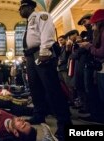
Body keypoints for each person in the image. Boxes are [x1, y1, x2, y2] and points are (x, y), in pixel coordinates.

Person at [19, 0, 72, 140]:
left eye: (22, 8)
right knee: (35, 88)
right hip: (31, 56)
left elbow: (47, 34)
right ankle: (39, 114)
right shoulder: (29, 21)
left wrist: (43, 52)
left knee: (52, 88)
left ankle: (64, 122)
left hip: (41, 54)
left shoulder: (41, 16)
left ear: (30, 7)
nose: (20, 11)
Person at [78, 9, 104, 122]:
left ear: (100, 22)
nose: (92, 27)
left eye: (94, 24)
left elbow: (102, 52)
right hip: (101, 68)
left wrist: (88, 46)